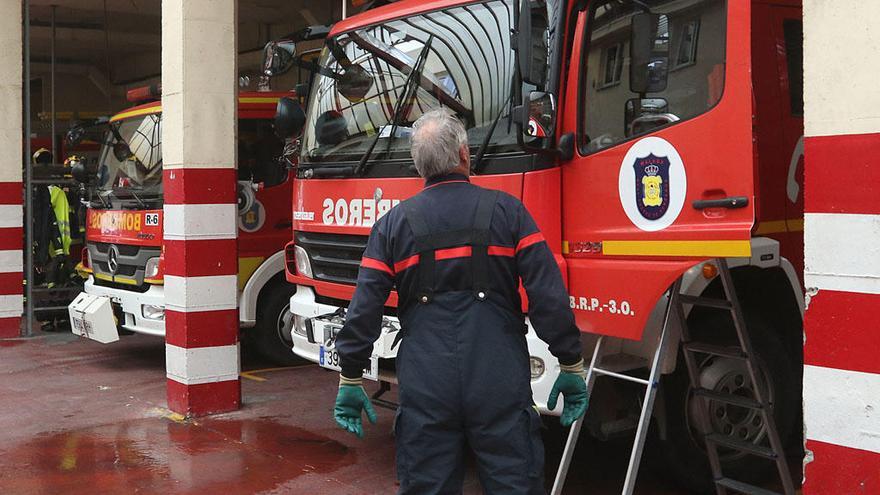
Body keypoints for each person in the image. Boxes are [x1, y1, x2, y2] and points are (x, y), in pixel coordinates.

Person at [333, 109, 588, 494]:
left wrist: (350, 374)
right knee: (514, 483)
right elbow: (547, 295)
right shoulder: (509, 212)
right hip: (499, 378)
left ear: (419, 167)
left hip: (425, 381)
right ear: (465, 155)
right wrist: (570, 363)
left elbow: (364, 307)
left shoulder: (391, 226)